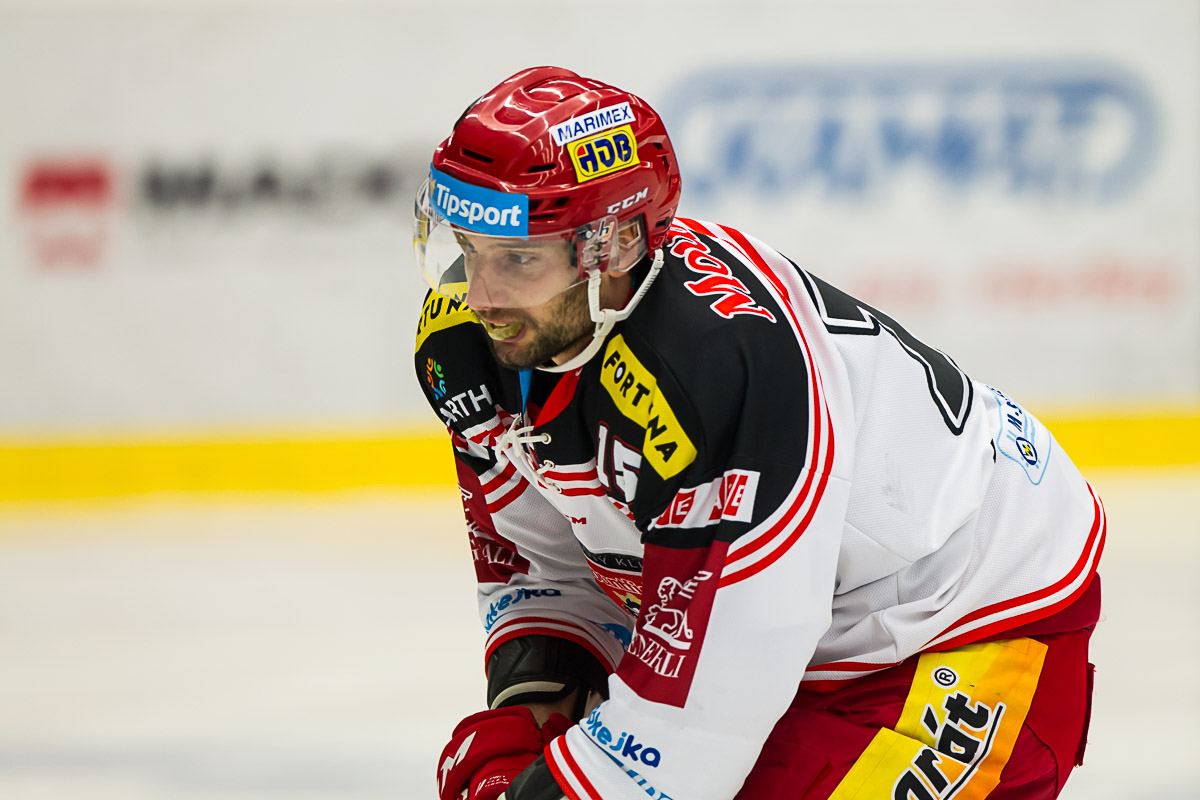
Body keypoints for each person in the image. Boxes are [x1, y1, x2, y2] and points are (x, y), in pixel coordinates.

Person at [413, 67, 1102, 800]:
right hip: (802, 635)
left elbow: (699, 724)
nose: (479, 295)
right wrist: (528, 719)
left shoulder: (716, 372)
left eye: (518, 258)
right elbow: (546, 572)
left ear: (611, 248)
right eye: (469, 248)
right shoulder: (471, 346)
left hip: (971, 626)